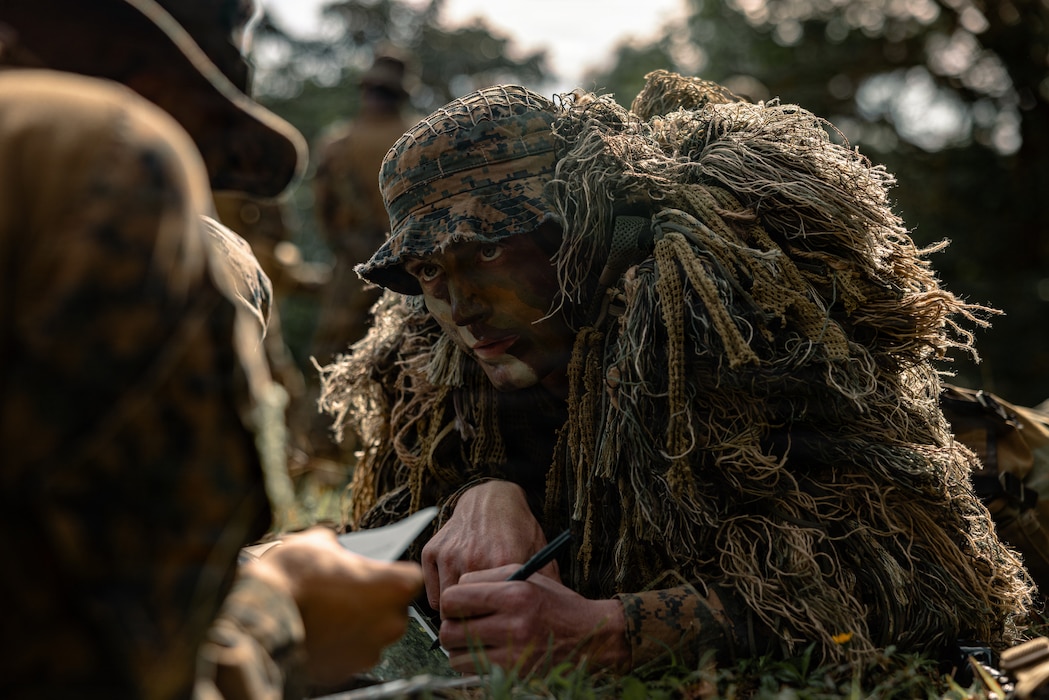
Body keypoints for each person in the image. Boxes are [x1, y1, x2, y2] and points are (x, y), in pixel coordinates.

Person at [318, 73, 1035, 677]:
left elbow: (915, 582)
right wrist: (482, 489)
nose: (460, 305)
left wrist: (611, 631)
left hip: (1008, 472)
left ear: (575, 230)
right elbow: (381, 533)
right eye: (427, 269)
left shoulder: (725, 322)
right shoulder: (438, 365)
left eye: (487, 254)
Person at [0, 0, 422, 697]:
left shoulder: (343, 141)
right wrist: (283, 608)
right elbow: (143, 675)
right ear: (147, 82)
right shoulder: (97, 155)